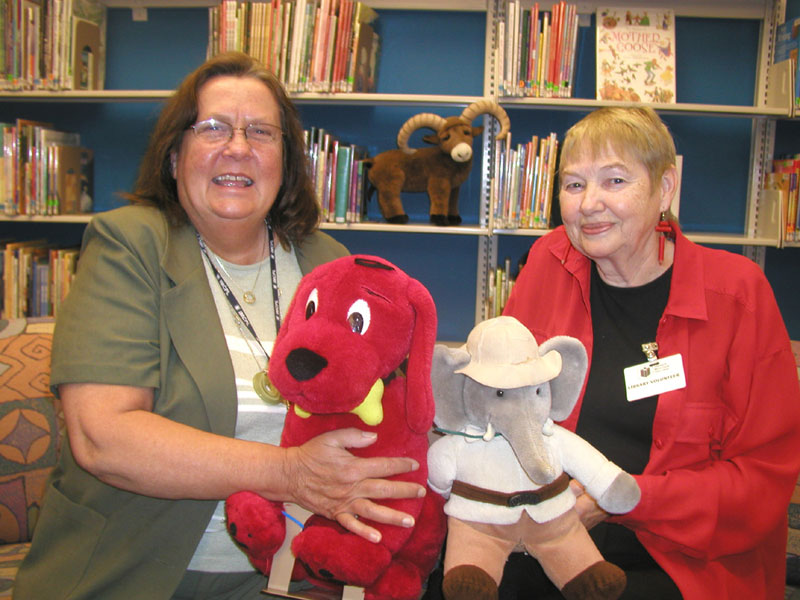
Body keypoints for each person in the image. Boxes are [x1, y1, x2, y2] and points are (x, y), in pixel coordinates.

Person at [14, 51, 427, 600]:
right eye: (212, 128)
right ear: (174, 154)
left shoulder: (327, 261)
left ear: (286, 161)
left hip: (298, 572)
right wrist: (287, 473)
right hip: (140, 572)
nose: (238, 146)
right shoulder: (130, 245)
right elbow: (103, 437)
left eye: (261, 131)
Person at [497, 106, 800, 599]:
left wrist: (619, 498)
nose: (589, 203)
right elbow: (500, 398)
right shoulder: (548, 262)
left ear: (665, 187)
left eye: (614, 180)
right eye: (574, 185)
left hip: (679, 561)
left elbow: (761, 486)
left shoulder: (737, 296)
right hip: (547, 537)